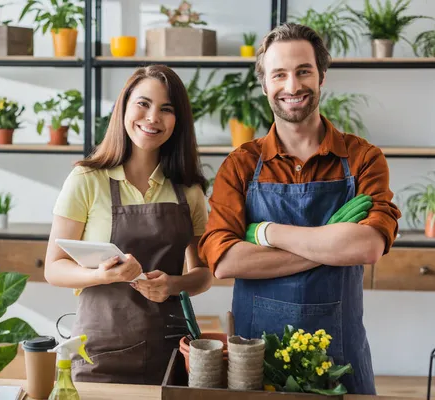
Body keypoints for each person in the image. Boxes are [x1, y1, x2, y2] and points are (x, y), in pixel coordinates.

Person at [198, 23, 401, 394]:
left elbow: (368, 247)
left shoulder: (363, 159)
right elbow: (225, 260)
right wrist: (329, 247)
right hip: (255, 359)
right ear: (264, 84)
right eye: (279, 74)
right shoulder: (241, 165)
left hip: (341, 355)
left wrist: (265, 233)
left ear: (321, 75)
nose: (292, 86)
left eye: (303, 71)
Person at [45, 64, 213, 385]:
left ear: (178, 122)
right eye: (143, 103)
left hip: (170, 352)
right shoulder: (86, 180)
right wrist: (100, 275)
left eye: (166, 109)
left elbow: (203, 275)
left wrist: (172, 285)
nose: (152, 118)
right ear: (124, 106)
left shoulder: (188, 189)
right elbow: (53, 268)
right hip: (99, 353)